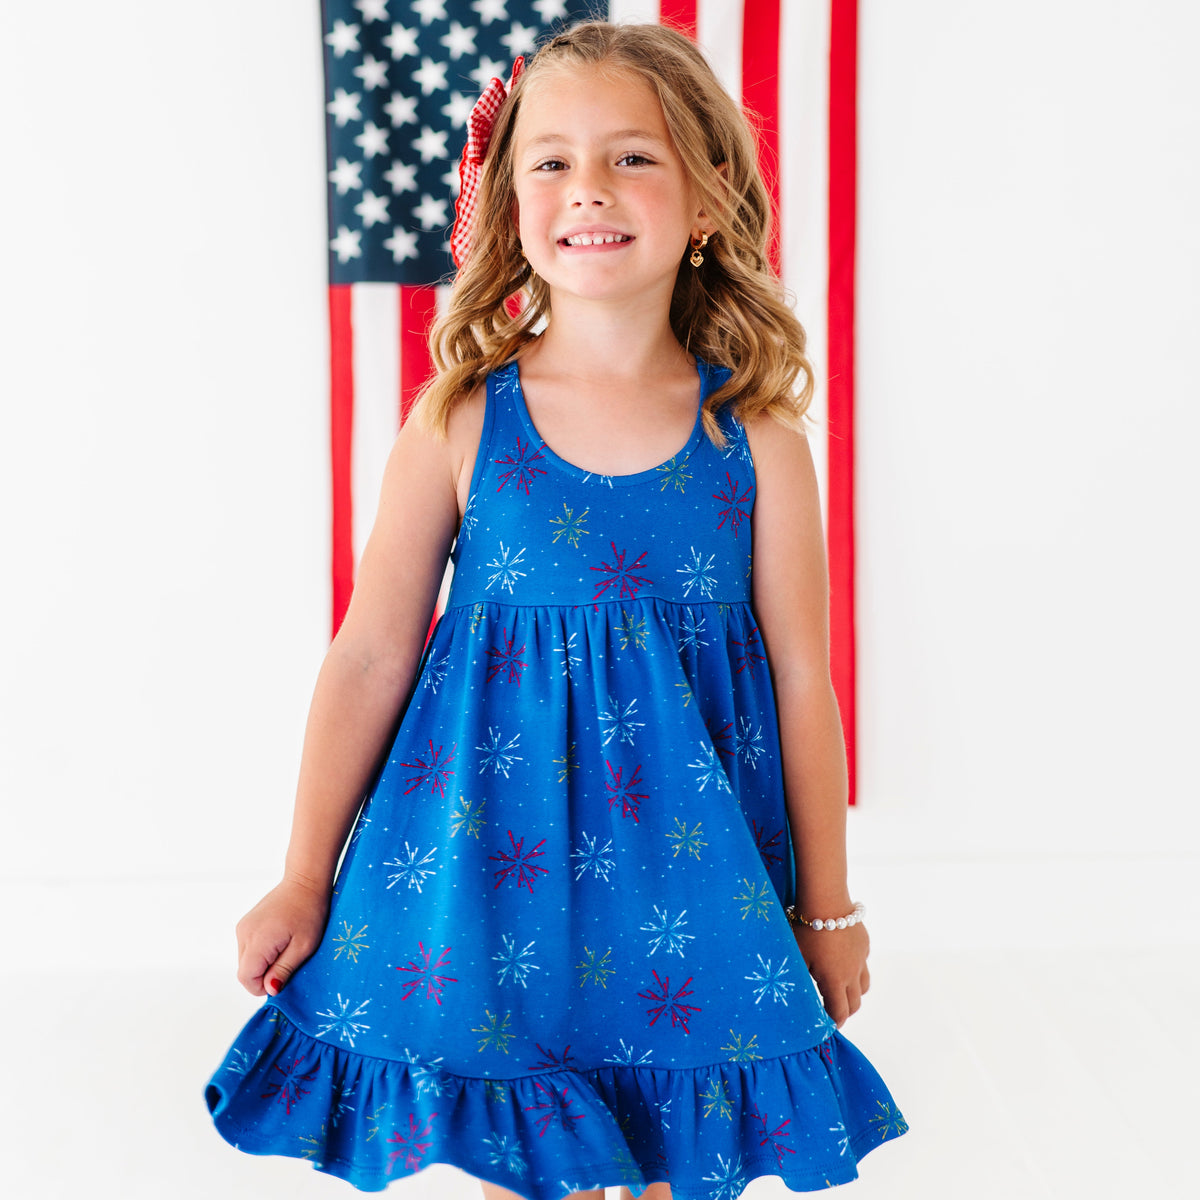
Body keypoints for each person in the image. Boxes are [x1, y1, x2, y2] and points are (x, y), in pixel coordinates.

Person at [206, 20, 906, 1200]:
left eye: (633, 157)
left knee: (667, 1152)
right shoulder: (460, 422)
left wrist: (827, 911)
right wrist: (303, 875)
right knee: (521, 1149)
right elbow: (373, 654)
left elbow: (802, 679)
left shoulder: (758, 440)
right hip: (492, 860)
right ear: (508, 201)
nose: (588, 188)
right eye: (551, 161)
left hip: (689, 880)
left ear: (707, 198)